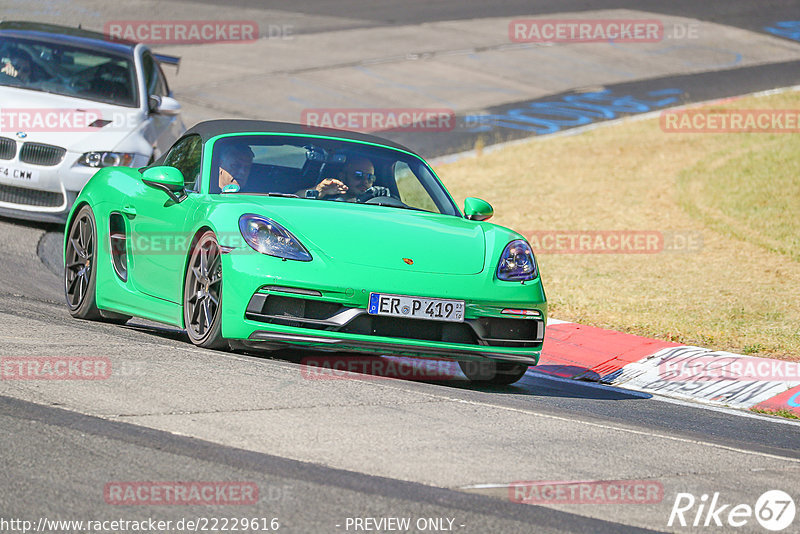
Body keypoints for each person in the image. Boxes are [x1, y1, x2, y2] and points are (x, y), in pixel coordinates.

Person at [300, 156, 389, 201]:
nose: (365, 181)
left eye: (370, 177)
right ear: (342, 176)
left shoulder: (376, 206)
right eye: (358, 175)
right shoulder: (326, 203)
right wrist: (319, 191)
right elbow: (292, 200)